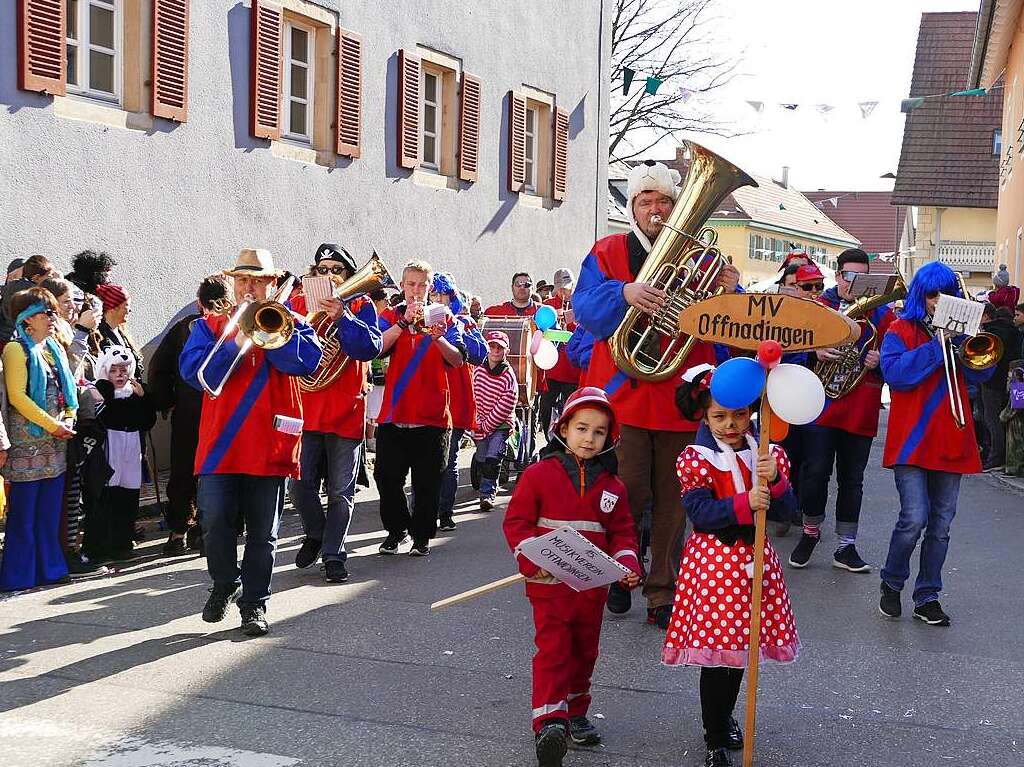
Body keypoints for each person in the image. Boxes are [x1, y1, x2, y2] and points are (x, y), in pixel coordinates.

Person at [574, 159, 741, 628]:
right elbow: (584, 309)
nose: (656, 210)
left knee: (674, 499)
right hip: (622, 396)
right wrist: (625, 292)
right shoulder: (609, 250)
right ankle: (616, 575)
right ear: (633, 209)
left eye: (664, 201)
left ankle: (662, 591)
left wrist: (731, 292)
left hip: (680, 396)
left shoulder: (706, 261)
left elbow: (724, 329)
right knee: (625, 493)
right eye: (645, 201)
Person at [180, 248, 321, 636]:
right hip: (221, 446)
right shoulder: (207, 327)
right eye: (242, 280)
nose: (249, 287)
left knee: (264, 532)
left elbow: (306, 363)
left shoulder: (290, 323)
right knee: (214, 520)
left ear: (271, 284)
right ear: (232, 283)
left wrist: (272, 333)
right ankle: (225, 581)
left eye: (258, 280)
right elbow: (195, 374)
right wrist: (236, 339)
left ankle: (255, 605)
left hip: (269, 443)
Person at [663, 365, 799, 767]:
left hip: (755, 562)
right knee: (716, 657)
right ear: (704, 415)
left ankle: (723, 718)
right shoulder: (697, 457)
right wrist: (746, 504)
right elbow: (700, 512)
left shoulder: (767, 452)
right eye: (719, 416)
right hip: (714, 566)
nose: (730, 425)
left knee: (740, 653)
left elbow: (788, 512)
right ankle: (714, 736)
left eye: (739, 415)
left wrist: (775, 483)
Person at [502, 387, 642, 767]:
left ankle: (576, 711)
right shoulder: (538, 475)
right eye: (582, 428)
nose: (589, 438)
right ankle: (549, 721)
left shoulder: (613, 487)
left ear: (608, 438)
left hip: (591, 590)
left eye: (599, 432)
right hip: (548, 587)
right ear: (563, 429)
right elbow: (516, 524)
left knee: (584, 652)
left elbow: (624, 533)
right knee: (553, 651)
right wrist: (532, 561)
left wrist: (627, 564)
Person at [878, 262, 994, 627]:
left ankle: (927, 595)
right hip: (912, 440)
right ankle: (892, 582)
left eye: (946, 294)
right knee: (914, 519)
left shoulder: (964, 333)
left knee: (941, 524)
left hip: (951, 438)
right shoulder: (900, 330)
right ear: (920, 296)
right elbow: (896, 375)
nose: (939, 300)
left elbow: (983, 371)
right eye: (932, 294)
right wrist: (937, 344)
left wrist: (965, 345)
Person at [789, 249, 895, 573]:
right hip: (821, 406)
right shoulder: (820, 308)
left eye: (862, 277)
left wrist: (880, 364)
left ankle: (846, 546)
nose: (855, 283)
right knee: (815, 471)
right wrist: (814, 351)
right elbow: (791, 349)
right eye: (849, 276)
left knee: (853, 479)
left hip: (860, 408)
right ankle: (809, 532)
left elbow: (894, 363)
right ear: (838, 277)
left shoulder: (884, 316)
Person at [289, 244, 382, 583]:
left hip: (345, 412)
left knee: (341, 492)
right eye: (322, 269)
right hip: (307, 409)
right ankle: (315, 533)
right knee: (299, 487)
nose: (329, 276)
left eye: (336, 270)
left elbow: (368, 347)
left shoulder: (360, 304)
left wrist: (343, 317)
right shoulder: (298, 304)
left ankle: (333, 555)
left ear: (348, 275)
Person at [375, 260, 465, 557]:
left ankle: (421, 537)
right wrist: (402, 324)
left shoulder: (445, 317)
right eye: (411, 284)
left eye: (422, 285)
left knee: (427, 483)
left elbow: (458, 360)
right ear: (402, 286)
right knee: (387, 479)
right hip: (394, 415)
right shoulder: (391, 315)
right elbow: (377, 348)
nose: (416, 291)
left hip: (433, 417)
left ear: (430, 288)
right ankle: (396, 530)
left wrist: (437, 338)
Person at [0, 288, 77, 591]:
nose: (53, 318)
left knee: (48, 514)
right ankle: (19, 575)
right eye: (47, 312)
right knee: (24, 516)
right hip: (26, 447)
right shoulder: (16, 350)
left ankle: (51, 568)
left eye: (54, 312)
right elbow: (18, 397)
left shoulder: (53, 348)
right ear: (26, 319)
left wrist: (68, 419)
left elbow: (68, 391)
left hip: (55, 445)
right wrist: (52, 424)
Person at [148, 275, 230, 555]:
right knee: (212, 472)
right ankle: (202, 530)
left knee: (184, 471)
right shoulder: (234, 328)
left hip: (191, 411)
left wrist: (166, 401)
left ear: (198, 303)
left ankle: (179, 531)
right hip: (217, 413)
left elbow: (159, 368)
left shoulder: (185, 328)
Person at [80, 346, 157, 562]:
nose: (120, 375)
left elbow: (147, 421)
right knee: (105, 495)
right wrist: (105, 393)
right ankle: (98, 548)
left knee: (128, 495)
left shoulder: (135, 393)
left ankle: (122, 543)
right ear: (105, 370)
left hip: (131, 445)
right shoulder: (101, 391)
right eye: (114, 370)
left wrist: (144, 399)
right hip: (110, 443)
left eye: (124, 370)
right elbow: (98, 415)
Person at [431, 273, 486, 532]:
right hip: (425, 400)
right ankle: (424, 513)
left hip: (454, 403)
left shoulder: (461, 321)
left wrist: (462, 327)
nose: (436, 299)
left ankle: (444, 512)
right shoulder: (415, 320)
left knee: (448, 459)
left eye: (441, 295)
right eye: (433, 294)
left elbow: (480, 354)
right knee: (424, 462)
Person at [472, 330, 519, 511]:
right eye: (492, 346)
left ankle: (487, 495)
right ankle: (487, 485)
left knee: (493, 459)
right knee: (482, 458)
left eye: (500, 347)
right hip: (481, 422)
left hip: (501, 424)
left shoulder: (508, 376)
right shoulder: (478, 372)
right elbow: (474, 398)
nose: (496, 350)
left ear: (505, 351)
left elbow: (507, 403)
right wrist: (479, 422)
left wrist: (488, 425)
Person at [539, 269, 582, 435]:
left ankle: (568, 441)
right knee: (545, 408)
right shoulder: (548, 304)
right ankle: (548, 439)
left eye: (566, 287)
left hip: (572, 369)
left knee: (570, 409)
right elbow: (540, 329)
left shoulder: (580, 303)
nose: (563, 291)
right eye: (560, 288)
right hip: (551, 368)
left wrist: (573, 320)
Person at [977, 303, 1018, 471]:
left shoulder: (989, 332)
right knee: (1007, 420)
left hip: (991, 379)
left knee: (992, 419)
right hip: (1010, 381)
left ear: (986, 316)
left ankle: (995, 457)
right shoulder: (1013, 330)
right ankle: (1006, 456)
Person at [93, 284, 144, 380]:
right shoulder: (99, 336)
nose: (130, 310)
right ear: (113, 308)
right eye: (126, 306)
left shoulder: (122, 333)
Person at [1, 255, 56, 343]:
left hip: (4, 333)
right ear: (36, 277)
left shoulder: (13, 284)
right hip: (15, 337)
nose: (51, 279)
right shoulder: (33, 295)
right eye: (49, 276)